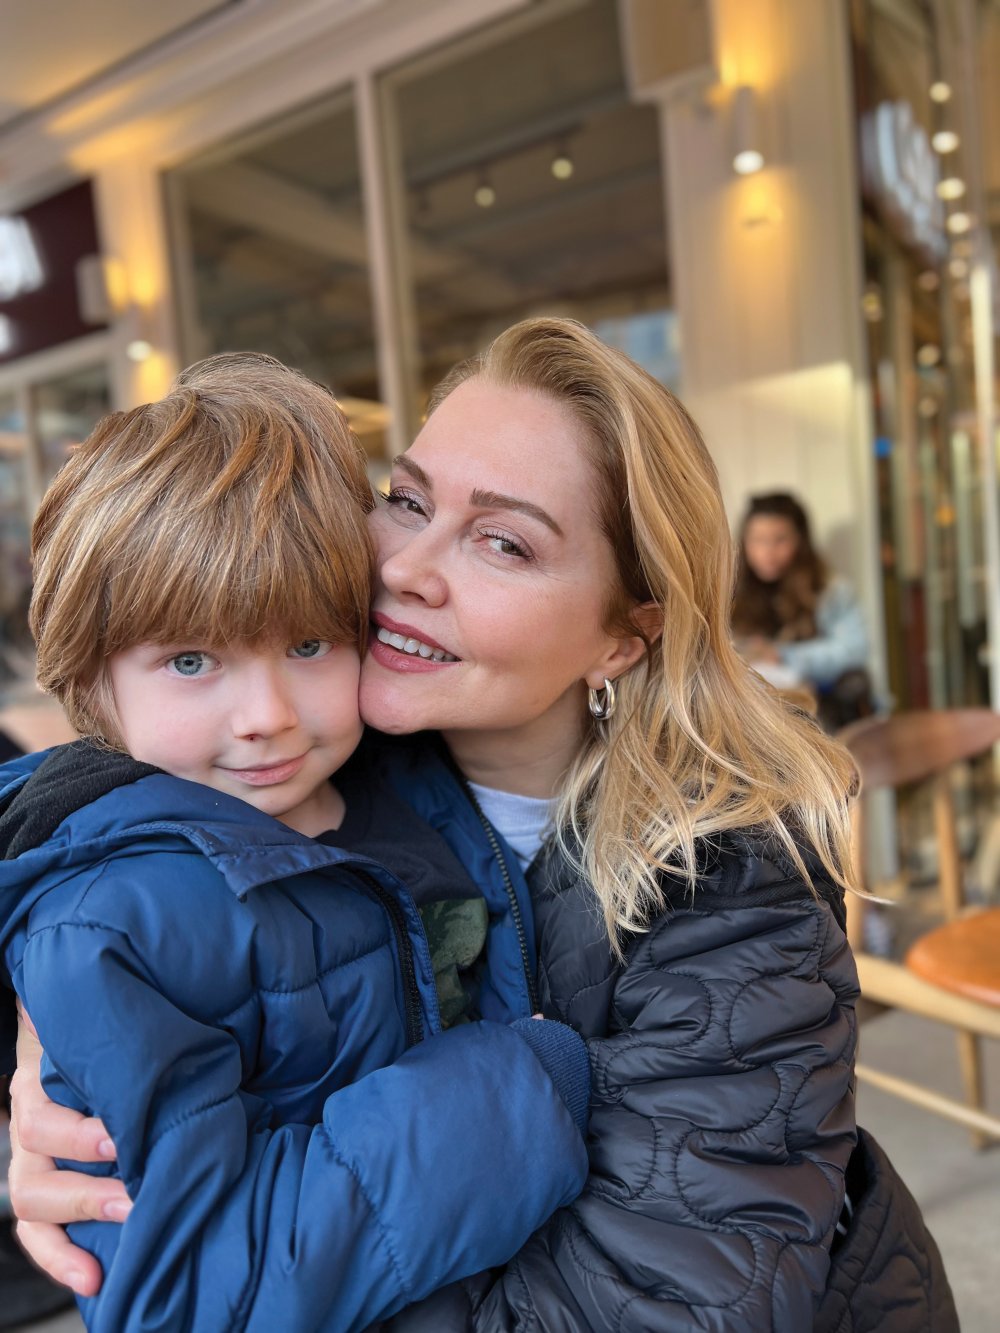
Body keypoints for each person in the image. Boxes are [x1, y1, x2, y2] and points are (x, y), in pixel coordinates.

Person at [8, 320, 955, 1330]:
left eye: (504, 542)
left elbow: (666, 1301)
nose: (407, 567)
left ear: (623, 638)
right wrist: (53, 1058)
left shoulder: (729, 887)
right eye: (407, 501)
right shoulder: (308, 772)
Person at [0, 353, 591, 1331]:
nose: (268, 714)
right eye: (192, 660)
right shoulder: (112, 926)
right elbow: (176, 1295)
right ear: (94, 680)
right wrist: (516, 1099)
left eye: (309, 644)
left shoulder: (399, 783)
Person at [732, 492, 874, 730]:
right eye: (758, 540)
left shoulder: (828, 589)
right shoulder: (732, 591)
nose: (768, 551)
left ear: (800, 540)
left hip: (821, 711)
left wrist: (783, 655)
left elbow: (854, 649)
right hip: (755, 716)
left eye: (780, 540)